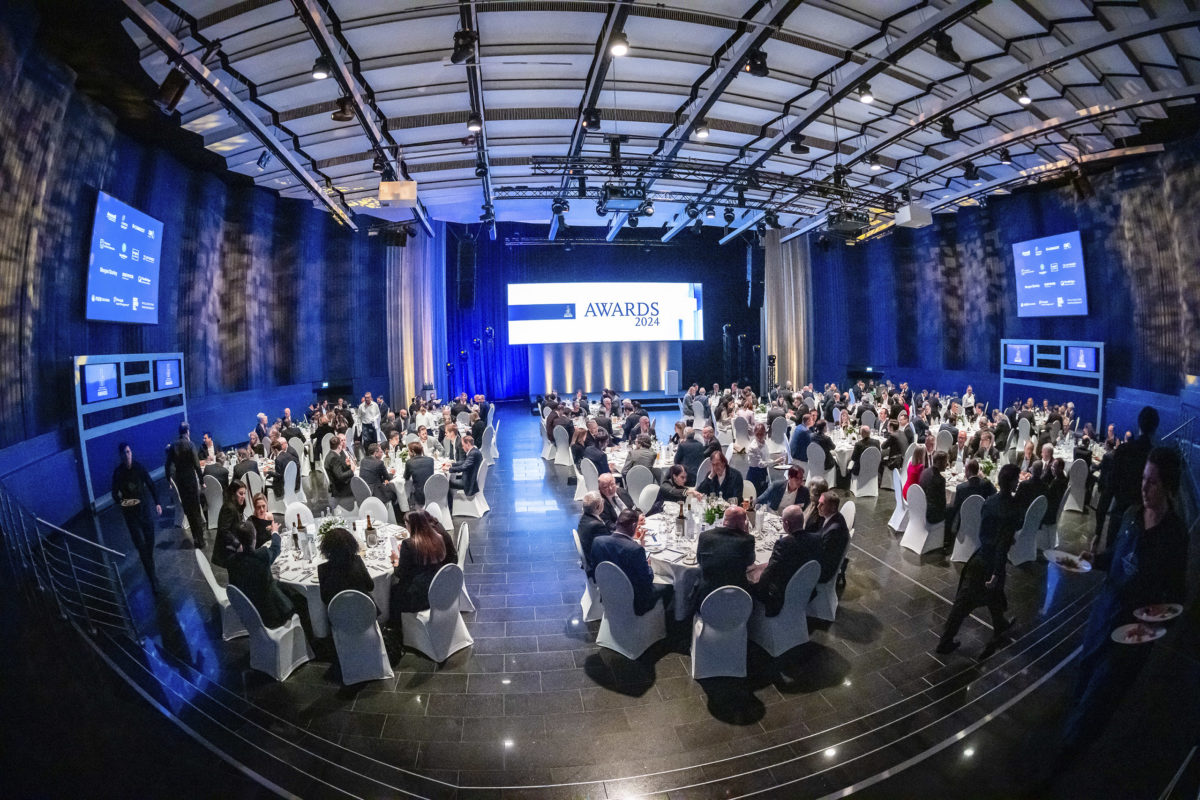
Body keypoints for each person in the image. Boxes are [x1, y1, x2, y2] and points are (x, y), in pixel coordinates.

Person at [1059, 447, 1187, 755]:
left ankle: (1070, 752)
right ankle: (1071, 733)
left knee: (1102, 692)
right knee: (1085, 670)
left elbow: (1176, 595)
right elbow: (1116, 557)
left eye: (1152, 482)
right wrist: (1095, 560)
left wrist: (1156, 625)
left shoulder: (1175, 535)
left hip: (1133, 630)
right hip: (1105, 612)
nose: (1144, 487)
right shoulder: (1131, 515)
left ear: (1168, 486)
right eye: (1144, 479)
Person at [936, 464, 1022, 656]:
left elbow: (988, 530)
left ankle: (1000, 624)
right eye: (1016, 479)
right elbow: (1002, 544)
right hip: (990, 561)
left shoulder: (990, 502)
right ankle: (945, 641)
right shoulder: (1012, 508)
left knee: (992, 595)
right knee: (966, 601)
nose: (1018, 482)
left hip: (980, 554)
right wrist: (996, 572)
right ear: (1012, 482)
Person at [387, 511, 458, 651]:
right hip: (439, 589)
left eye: (406, 524)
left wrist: (395, 561)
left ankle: (396, 631)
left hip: (420, 597)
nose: (405, 527)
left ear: (412, 526)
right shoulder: (438, 538)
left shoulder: (409, 544)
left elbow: (401, 573)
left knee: (394, 592)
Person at [226, 522, 308, 633]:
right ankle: (305, 637)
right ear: (254, 537)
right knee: (302, 600)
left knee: (283, 586)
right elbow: (276, 548)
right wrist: (274, 532)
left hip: (247, 612)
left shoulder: (231, 561)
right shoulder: (262, 555)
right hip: (271, 614)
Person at [589, 509, 671, 616]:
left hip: (608, 595)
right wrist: (649, 565)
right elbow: (647, 580)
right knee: (670, 587)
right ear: (634, 526)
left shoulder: (598, 542)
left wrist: (636, 543)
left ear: (617, 522)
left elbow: (596, 570)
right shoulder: (635, 550)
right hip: (633, 602)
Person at [1099, 406, 1158, 553]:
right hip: (1142, 522)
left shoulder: (1123, 450)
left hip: (1119, 514)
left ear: (1139, 424)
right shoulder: (1154, 457)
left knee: (1110, 558)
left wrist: (1098, 532)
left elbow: (1109, 489)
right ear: (1155, 428)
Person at [749, 505, 821, 616]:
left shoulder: (784, 544)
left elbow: (769, 573)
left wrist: (756, 586)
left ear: (786, 524)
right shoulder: (816, 539)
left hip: (782, 596)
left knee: (750, 583)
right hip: (806, 590)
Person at [111, 443, 162, 592]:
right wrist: (123, 502)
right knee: (141, 547)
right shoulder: (118, 473)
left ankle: (150, 568)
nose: (127, 455)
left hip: (144, 511)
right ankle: (153, 579)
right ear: (121, 456)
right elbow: (114, 493)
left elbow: (150, 483)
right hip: (131, 516)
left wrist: (157, 502)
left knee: (149, 544)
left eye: (129, 452)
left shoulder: (139, 468)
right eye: (124, 453)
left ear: (131, 453)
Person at [694, 506, 755, 604]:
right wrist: (746, 533)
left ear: (724, 521)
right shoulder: (748, 540)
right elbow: (750, 562)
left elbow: (700, 561)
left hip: (706, 598)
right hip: (738, 599)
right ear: (744, 523)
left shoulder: (705, 536)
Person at [165, 421, 206, 548]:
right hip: (191, 481)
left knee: (189, 512)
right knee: (196, 512)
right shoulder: (190, 444)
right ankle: (201, 541)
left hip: (181, 483)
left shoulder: (173, 446)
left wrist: (169, 479)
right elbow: (197, 465)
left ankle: (195, 538)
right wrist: (202, 481)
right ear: (187, 431)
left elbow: (167, 465)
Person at [317, 527, 375, 609]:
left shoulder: (323, 569)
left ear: (326, 548)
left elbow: (325, 599)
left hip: (338, 614)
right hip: (365, 611)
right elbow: (370, 586)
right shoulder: (357, 561)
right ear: (352, 545)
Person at [945, 458, 996, 544]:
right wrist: (984, 477)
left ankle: (948, 539)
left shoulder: (961, 487)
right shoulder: (986, 484)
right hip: (980, 519)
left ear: (967, 471)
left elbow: (956, 507)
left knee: (949, 510)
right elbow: (994, 492)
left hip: (964, 522)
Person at [812, 492, 850, 583]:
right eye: (819, 503)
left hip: (823, 573)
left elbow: (823, 556)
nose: (818, 507)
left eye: (822, 504)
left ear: (832, 508)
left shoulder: (834, 530)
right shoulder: (834, 516)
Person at [360, 442, 403, 521]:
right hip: (376, 493)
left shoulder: (363, 460)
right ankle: (398, 518)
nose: (382, 453)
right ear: (375, 453)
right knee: (395, 491)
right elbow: (387, 478)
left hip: (364, 491)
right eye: (380, 452)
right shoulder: (379, 463)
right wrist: (392, 473)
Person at [212, 480, 248, 568]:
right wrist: (237, 544)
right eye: (241, 493)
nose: (243, 496)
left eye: (244, 493)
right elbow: (224, 530)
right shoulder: (229, 508)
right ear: (233, 494)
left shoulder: (235, 505)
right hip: (227, 549)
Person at [443, 434, 483, 512]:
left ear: (468, 444)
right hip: (470, 478)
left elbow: (464, 467)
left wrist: (449, 469)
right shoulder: (474, 450)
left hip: (468, 482)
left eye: (463, 445)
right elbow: (465, 462)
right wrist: (452, 464)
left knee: (446, 482)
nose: (462, 447)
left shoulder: (473, 454)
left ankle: (450, 507)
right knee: (451, 477)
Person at [576, 492, 608, 579]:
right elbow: (609, 546)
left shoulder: (584, 518)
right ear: (598, 506)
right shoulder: (597, 526)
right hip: (599, 568)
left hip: (590, 560)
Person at [918, 450, 949, 526]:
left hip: (920, 508)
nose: (947, 464)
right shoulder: (940, 480)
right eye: (945, 462)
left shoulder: (924, 472)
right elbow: (942, 503)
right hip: (931, 515)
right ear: (940, 463)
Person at [325, 434, 355, 506]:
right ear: (339, 446)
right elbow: (340, 476)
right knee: (358, 486)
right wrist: (351, 470)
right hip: (340, 488)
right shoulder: (333, 458)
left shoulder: (331, 454)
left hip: (337, 485)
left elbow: (338, 470)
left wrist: (347, 465)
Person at [402, 442, 436, 506]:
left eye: (409, 451)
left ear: (413, 452)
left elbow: (406, 477)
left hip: (420, 495)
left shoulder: (409, 462)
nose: (408, 453)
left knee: (409, 487)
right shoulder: (430, 460)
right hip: (432, 492)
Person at [746, 422, 773, 494]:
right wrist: (775, 461)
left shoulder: (765, 443)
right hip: (754, 474)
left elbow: (766, 458)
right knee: (755, 495)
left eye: (761, 434)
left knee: (764, 493)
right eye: (757, 434)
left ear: (765, 434)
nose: (759, 436)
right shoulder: (753, 447)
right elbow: (760, 464)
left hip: (763, 472)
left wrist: (774, 462)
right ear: (754, 433)